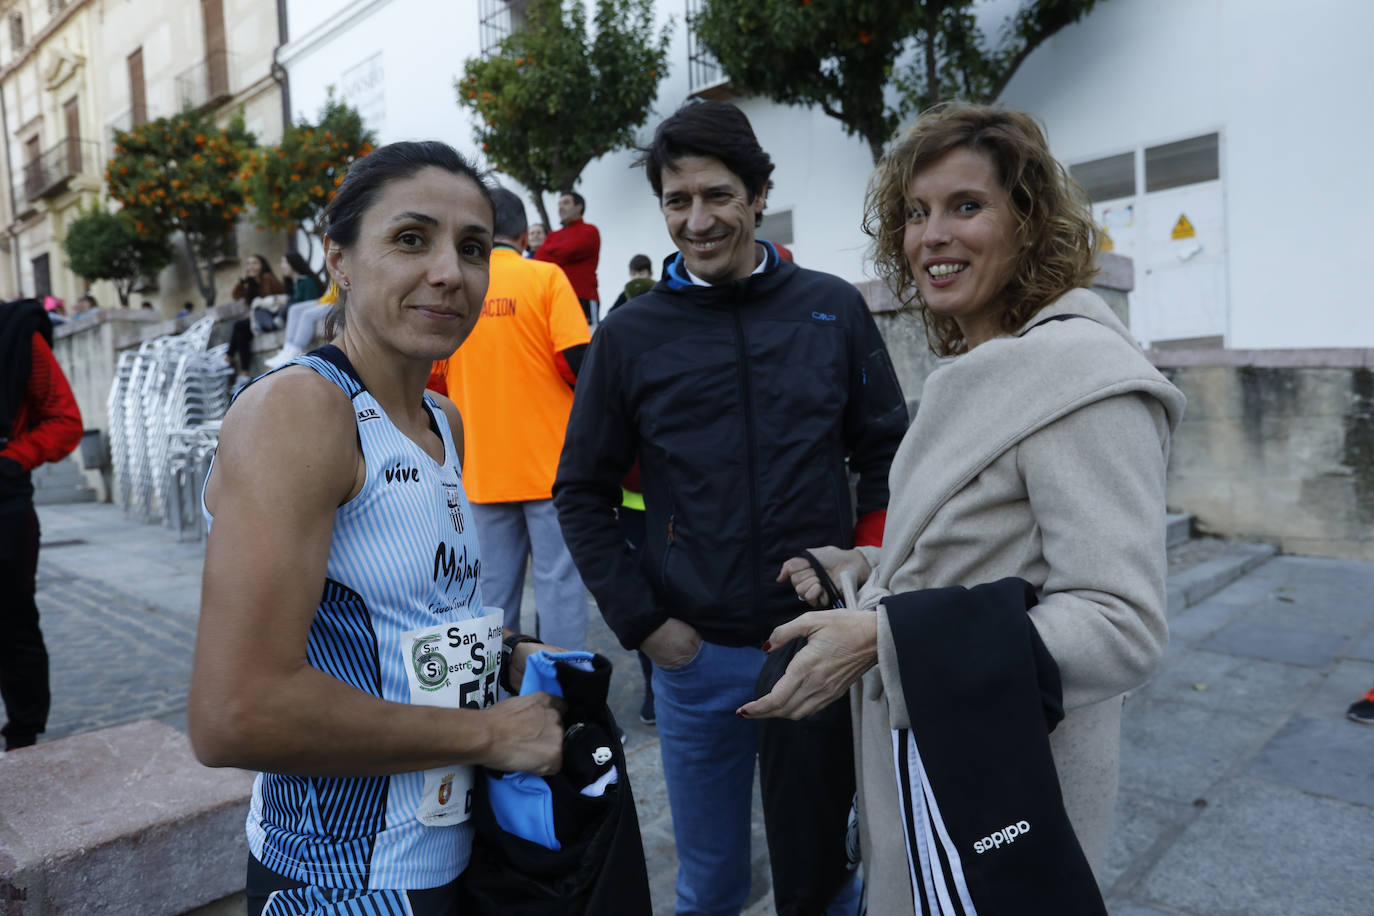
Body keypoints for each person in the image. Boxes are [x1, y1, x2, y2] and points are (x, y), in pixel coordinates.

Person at [748, 103, 1186, 914]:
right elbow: (983, 556)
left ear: (1028, 223)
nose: (931, 236)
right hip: (925, 775)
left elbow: (1123, 626)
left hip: (994, 799)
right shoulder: (987, 365)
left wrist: (885, 637)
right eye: (916, 213)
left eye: (967, 206)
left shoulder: (1080, 380)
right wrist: (869, 570)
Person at [188, 140, 566, 915]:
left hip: (457, 856)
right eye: (410, 239)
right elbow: (235, 713)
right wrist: (490, 736)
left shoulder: (442, 419)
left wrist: (505, 648)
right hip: (341, 884)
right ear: (340, 258)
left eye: (472, 248)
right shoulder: (300, 412)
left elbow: (399, 622)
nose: (448, 273)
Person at [554, 100, 907, 916]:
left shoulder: (831, 309)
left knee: (821, 878)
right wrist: (645, 624)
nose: (698, 220)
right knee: (709, 884)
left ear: (757, 194)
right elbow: (581, 489)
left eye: (717, 196)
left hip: (819, 650)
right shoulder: (631, 335)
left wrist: (863, 565)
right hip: (696, 657)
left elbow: (886, 447)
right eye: (678, 202)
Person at [442, 186, 591, 650]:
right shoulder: (546, 278)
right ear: (525, 234)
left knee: (488, 601)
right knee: (560, 590)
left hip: (479, 471)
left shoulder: (455, 288)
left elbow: (433, 380)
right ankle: (565, 705)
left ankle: (493, 707)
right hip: (551, 468)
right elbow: (577, 364)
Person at [0, 298, 82, 751]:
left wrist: (13, 459)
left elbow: (66, 421)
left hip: (5, 505)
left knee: (13, 625)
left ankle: (23, 736)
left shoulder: (15, 332)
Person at [534, 191, 599, 323]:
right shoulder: (553, 235)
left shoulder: (590, 231)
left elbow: (572, 249)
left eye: (566, 203)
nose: (560, 207)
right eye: (559, 204)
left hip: (583, 298)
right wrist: (563, 253)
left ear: (579, 207)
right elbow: (540, 258)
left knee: (587, 342)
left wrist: (551, 251)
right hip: (556, 300)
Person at [263, 252, 331, 369]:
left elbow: (310, 300)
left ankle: (293, 352)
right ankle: (287, 350)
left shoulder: (307, 281)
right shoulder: (295, 282)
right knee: (294, 309)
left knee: (305, 313)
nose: (282, 266)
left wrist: (286, 300)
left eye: (284, 262)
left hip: (330, 303)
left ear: (293, 264)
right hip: (326, 300)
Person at [227, 254, 285, 384]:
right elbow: (236, 295)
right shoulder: (252, 284)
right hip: (259, 320)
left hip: (273, 317)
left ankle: (229, 361)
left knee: (239, 326)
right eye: (248, 264)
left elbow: (269, 302)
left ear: (262, 265)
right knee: (241, 334)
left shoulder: (267, 278)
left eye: (254, 263)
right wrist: (243, 281)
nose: (250, 266)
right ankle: (243, 373)